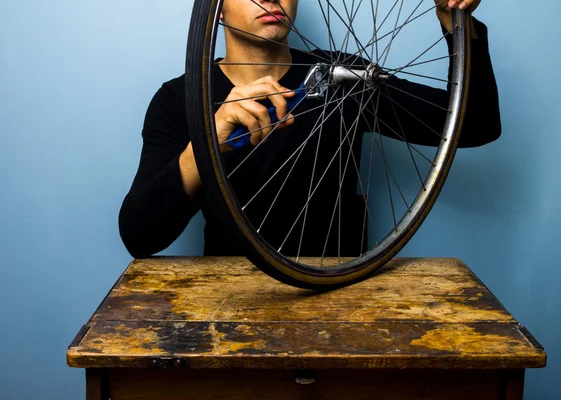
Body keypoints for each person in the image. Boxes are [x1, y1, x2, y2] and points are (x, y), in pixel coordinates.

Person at [119, 0, 501, 258]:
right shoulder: (178, 100)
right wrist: (206, 143)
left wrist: (456, 23)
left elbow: (476, 125)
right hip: (230, 303)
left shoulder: (343, 76)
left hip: (342, 293)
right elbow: (138, 236)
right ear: (214, 10)